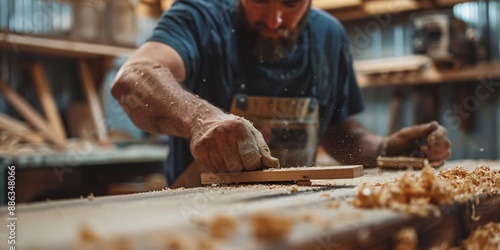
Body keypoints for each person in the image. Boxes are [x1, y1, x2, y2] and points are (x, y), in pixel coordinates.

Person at [111, 0, 451, 187]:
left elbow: (337, 132)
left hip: (296, 213)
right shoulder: (199, 17)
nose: (274, 20)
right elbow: (134, 77)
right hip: (199, 221)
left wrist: (386, 149)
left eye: (290, 3)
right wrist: (202, 119)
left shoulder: (329, 35)